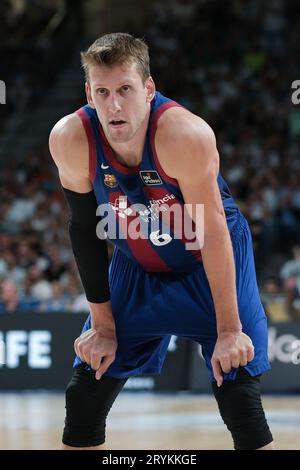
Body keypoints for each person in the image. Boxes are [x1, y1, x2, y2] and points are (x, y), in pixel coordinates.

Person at [49, 33, 274, 450]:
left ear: (149, 89)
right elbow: (84, 229)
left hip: (205, 259)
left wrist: (229, 329)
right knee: (85, 392)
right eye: (102, 92)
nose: (113, 105)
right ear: (88, 93)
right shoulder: (70, 137)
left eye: (125, 90)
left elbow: (211, 232)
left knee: (238, 393)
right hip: (137, 261)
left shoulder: (183, 134)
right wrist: (102, 324)